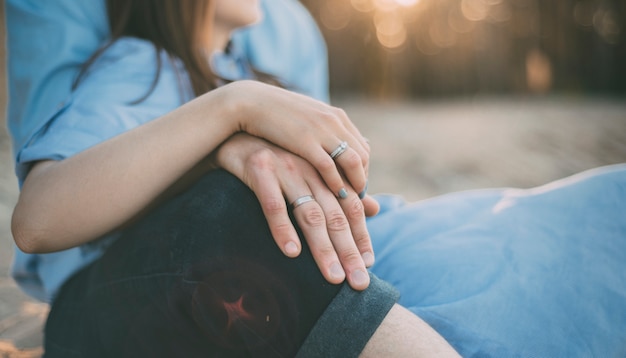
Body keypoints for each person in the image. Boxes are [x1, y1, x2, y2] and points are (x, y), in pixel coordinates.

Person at [7, 1, 626, 357]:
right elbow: (39, 217)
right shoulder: (138, 65)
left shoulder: (254, 61)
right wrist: (229, 110)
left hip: (373, 247)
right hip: (254, 283)